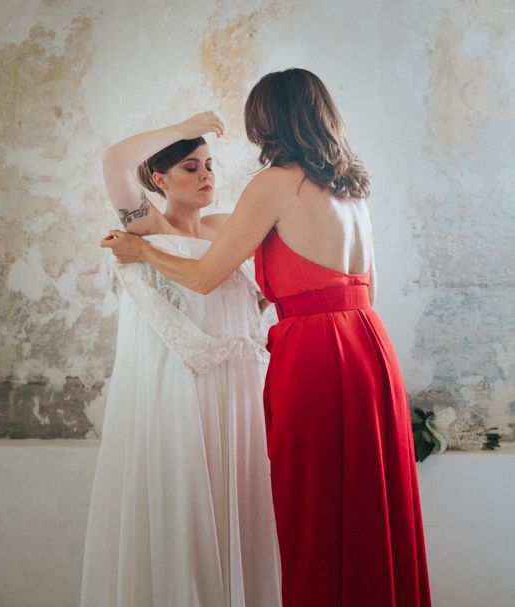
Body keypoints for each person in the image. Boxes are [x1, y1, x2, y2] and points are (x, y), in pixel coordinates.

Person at [101, 68, 432, 607]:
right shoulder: (351, 190)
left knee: (312, 511)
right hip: (369, 344)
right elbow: (362, 287)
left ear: (268, 120)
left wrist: (141, 253)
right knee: (372, 502)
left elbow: (207, 275)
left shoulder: (275, 184)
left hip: (317, 353)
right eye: (193, 165)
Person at [81, 114, 282, 607]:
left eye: (209, 165)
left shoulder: (229, 229)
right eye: (190, 168)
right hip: (179, 389)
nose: (206, 176)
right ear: (159, 180)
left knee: (236, 503)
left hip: (237, 387)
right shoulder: (149, 228)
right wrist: (186, 126)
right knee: (186, 506)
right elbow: (114, 162)